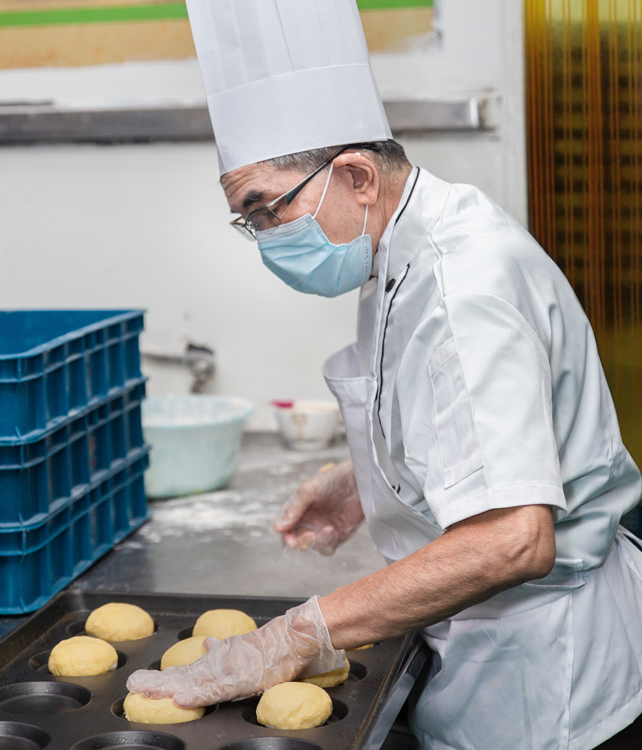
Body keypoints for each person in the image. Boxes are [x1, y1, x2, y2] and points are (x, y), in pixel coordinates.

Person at [127, 2, 642, 747]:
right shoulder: (399, 244)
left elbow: (511, 538)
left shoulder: (463, 283)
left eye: (266, 210)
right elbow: (474, 419)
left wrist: (295, 635)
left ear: (357, 175)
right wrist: (372, 479)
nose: (265, 239)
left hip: (547, 686)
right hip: (482, 655)